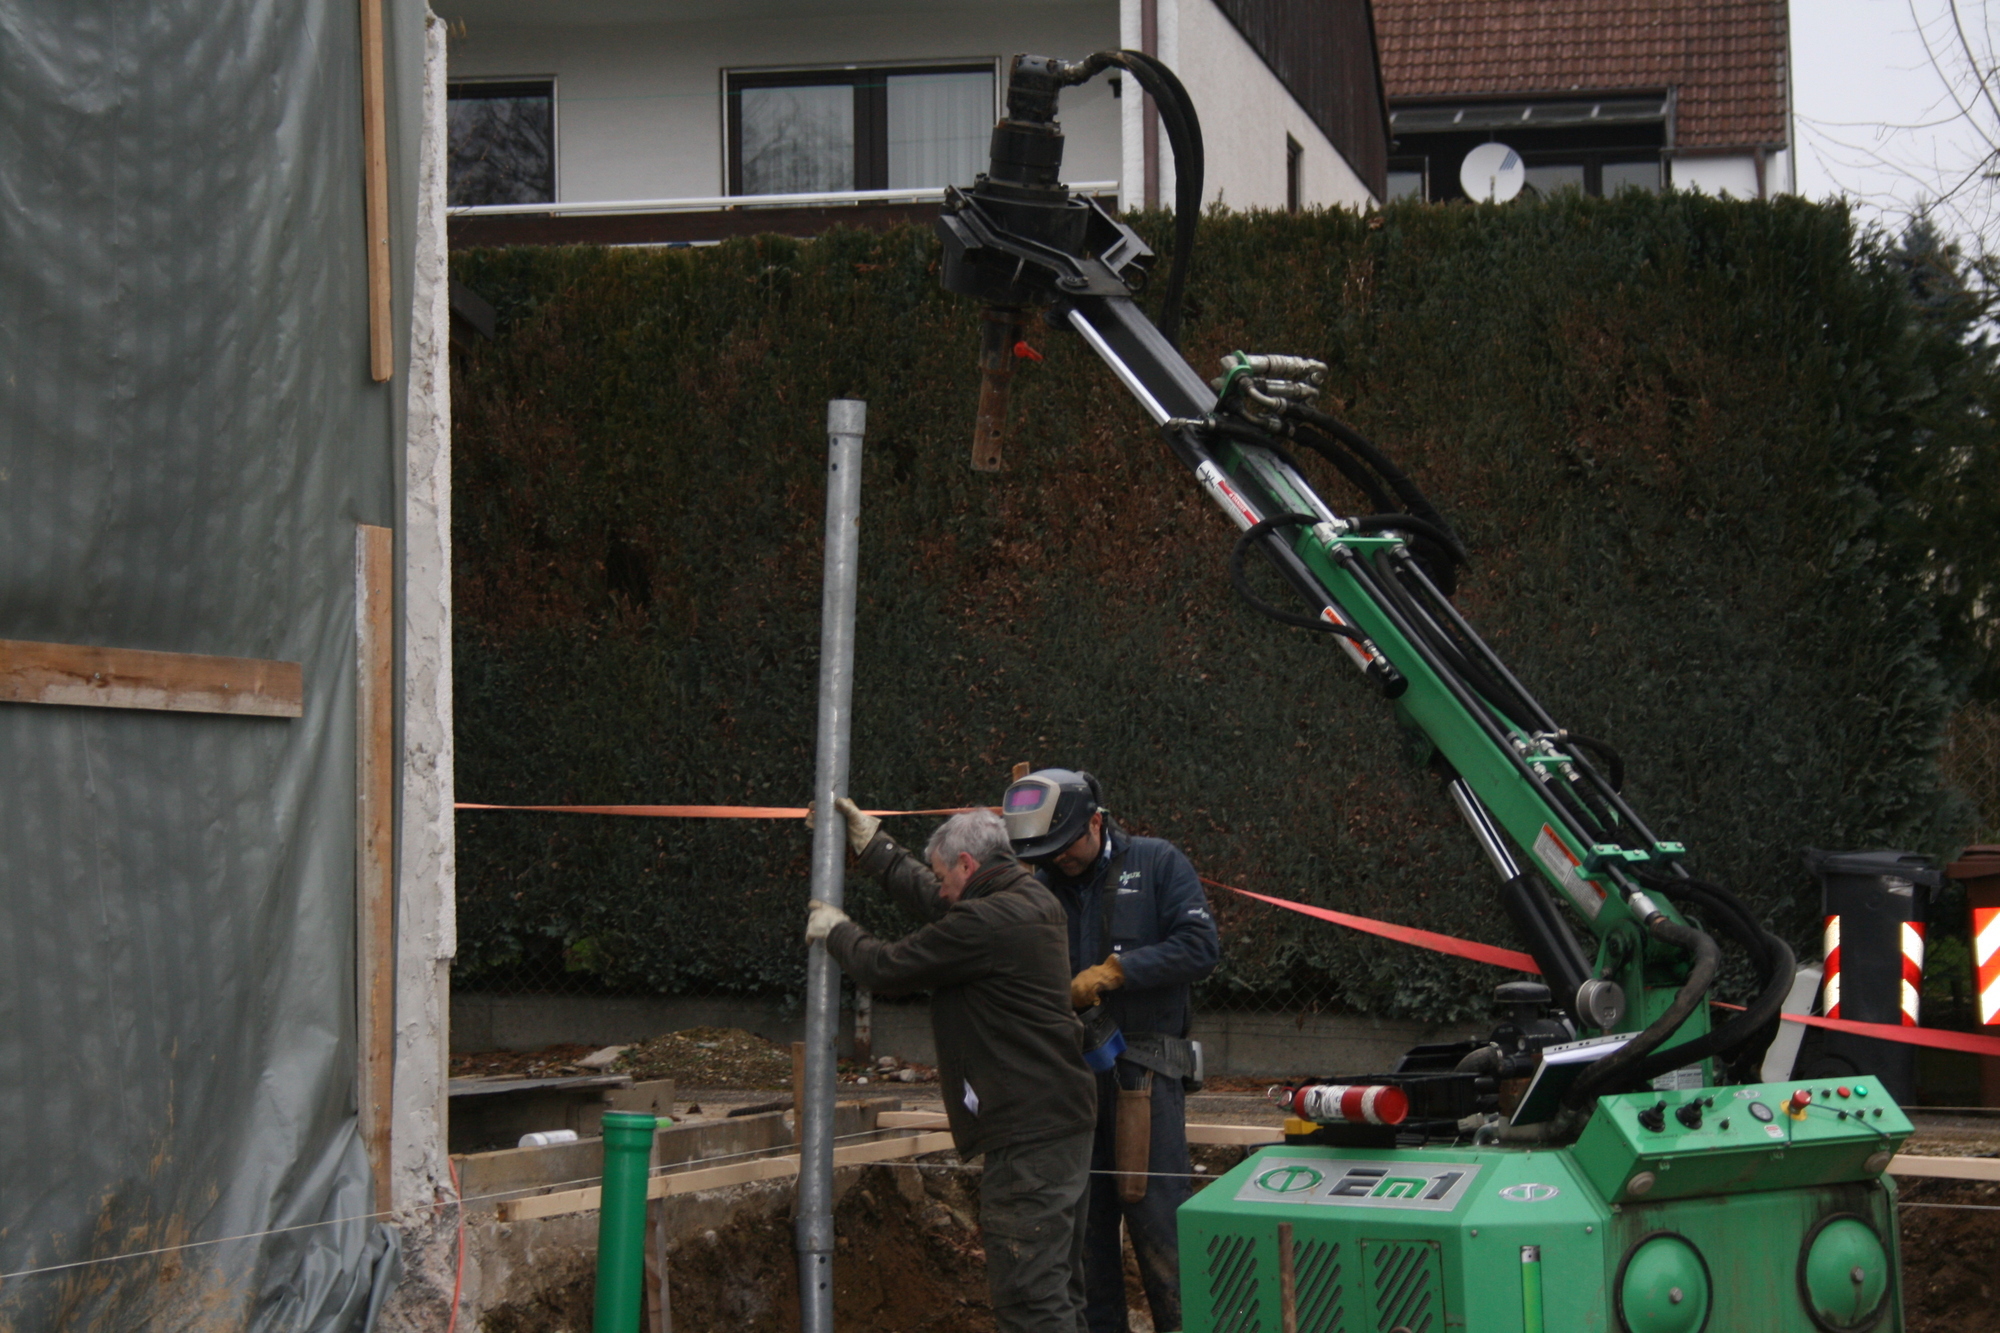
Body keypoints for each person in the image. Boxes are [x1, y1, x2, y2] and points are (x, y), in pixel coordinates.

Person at [809, 801, 1097, 1333]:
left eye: (945, 876)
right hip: (1060, 1123)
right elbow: (940, 903)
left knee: (1030, 1297)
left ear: (968, 865)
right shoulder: (1027, 897)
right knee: (1058, 1286)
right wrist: (875, 848)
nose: (939, 889)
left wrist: (836, 931)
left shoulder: (985, 922)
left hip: (1028, 1137)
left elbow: (885, 967)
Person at [1001, 769, 1219, 1333]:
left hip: (1141, 1078)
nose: (1058, 860)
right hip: (1073, 1081)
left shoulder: (1157, 862)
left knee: (1160, 1229)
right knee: (1085, 1240)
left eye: (1064, 845)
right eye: (1044, 852)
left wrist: (1117, 972)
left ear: (1095, 822)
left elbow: (1200, 947)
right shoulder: (1043, 881)